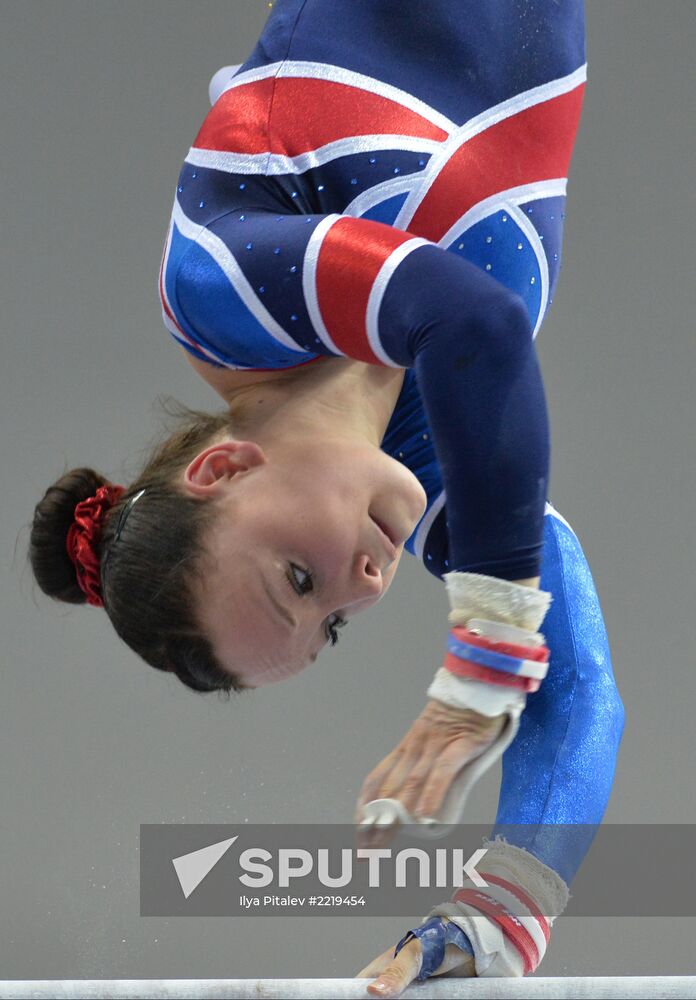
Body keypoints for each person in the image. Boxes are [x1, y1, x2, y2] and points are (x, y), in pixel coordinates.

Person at [29, 1, 624, 991]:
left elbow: (466, 313)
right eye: (333, 622)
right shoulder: (443, 450)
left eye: (297, 578)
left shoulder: (224, 292)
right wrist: (497, 924)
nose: (365, 586)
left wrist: (482, 659)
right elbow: (579, 686)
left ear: (222, 469)